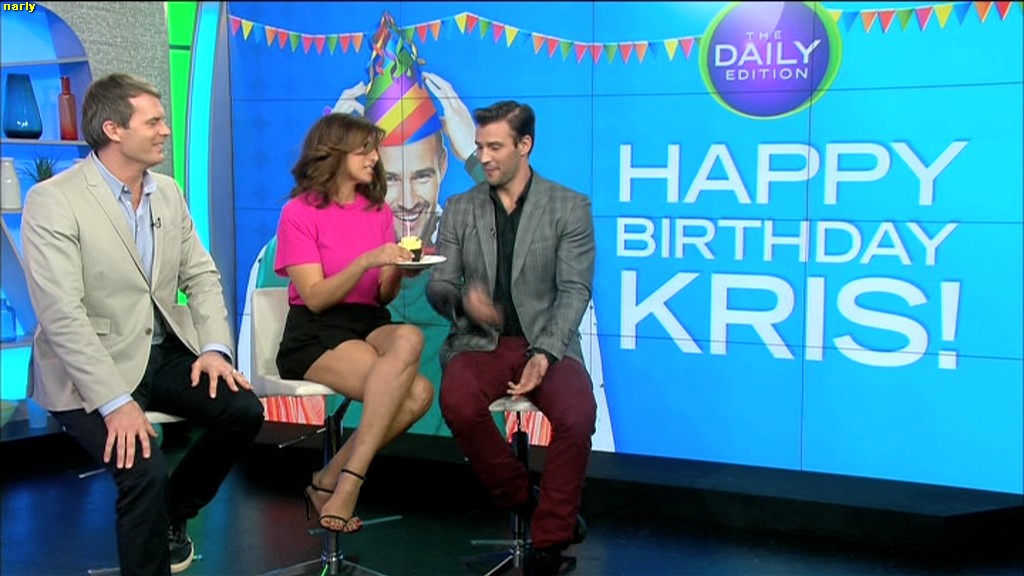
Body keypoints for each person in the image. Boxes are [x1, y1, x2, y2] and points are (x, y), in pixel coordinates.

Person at [21, 73, 265, 576]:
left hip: (160, 351)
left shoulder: (167, 193)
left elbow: (200, 276)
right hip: (88, 369)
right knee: (143, 469)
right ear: (113, 130)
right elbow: (62, 314)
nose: (165, 131)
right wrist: (114, 404)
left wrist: (214, 349)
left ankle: (173, 513)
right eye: (153, 122)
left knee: (242, 410)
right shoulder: (54, 200)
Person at [427, 101, 597, 575]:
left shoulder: (570, 207)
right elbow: (439, 284)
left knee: (578, 415)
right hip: (481, 342)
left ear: (525, 146)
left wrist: (544, 354)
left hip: (548, 341)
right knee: (459, 403)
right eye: (480, 146)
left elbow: (574, 290)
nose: (483, 157)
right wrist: (465, 302)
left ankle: (551, 542)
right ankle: (526, 499)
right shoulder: (460, 208)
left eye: (495, 147)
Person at [274, 112, 433, 534]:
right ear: (335, 153)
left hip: (369, 321)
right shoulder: (298, 213)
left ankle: (330, 479)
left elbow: (381, 296)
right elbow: (316, 296)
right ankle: (349, 483)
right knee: (417, 393)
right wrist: (366, 260)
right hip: (316, 329)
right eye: (365, 150)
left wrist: (399, 268)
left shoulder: (377, 211)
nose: (375, 158)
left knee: (409, 336)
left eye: (374, 150)